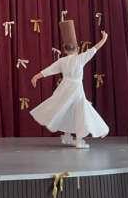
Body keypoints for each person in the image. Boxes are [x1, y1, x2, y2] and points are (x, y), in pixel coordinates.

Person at [30, 20, 109, 149]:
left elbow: (49, 70)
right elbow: (94, 49)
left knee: (66, 109)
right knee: (79, 111)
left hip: (65, 87)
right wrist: (104, 38)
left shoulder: (62, 61)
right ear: (78, 49)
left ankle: (67, 136)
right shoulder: (80, 58)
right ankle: (79, 140)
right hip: (76, 88)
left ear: (64, 50)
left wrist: (36, 77)